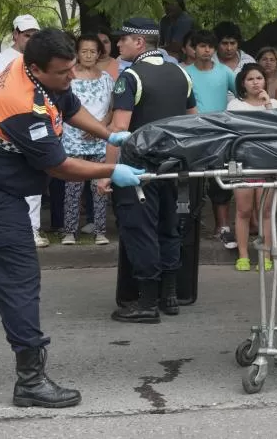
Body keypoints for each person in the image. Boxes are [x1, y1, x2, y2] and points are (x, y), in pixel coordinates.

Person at [0, 28, 143, 408]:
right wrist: (108, 171)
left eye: (72, 68)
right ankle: (30, 380)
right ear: (37, 67)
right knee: (19, 282)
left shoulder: (34, 67)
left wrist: (108, 134)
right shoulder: (20, 102)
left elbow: (67, 104)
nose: (70, 77)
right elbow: (59, 166)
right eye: (63, 71)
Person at [102, 18, 197, 324]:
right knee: (170, 227)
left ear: (139, 43)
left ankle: (145, 303)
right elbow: (193, 121)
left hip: (139, 167)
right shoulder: (182, 73)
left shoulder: (130, 77)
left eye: (123, 40)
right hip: (175, 166)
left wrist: (105, 171)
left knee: (140, 231)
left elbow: (119, 129)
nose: (119, 45)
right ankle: (169, 295)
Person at [0, 15, 49, 247]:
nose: (31, 38)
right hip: (10, 125)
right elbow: (4, 90)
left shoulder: (43, 58)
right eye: (27, 34)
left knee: (33, 178)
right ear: (15, 34)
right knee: (8, 179)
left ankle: (32, 229)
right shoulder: (1, 59)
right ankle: (10, 228)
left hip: (37, 121)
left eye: (35, 34)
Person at [185, 29, 237, 249]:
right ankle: (190, 226)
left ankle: (222, 226)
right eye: (202, 46)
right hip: (193, 133)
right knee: (193, 180)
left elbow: (242, 93)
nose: (206, 50)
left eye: (210, 47)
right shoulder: (184, 72)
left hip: (221, 134)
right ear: (193, 49)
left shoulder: (225, 72)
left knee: (221, 181)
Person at [226, 63, 277, 271]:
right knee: (243, 211)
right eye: (250, 79)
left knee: (266, 212)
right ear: (243, 83)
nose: (256, 82)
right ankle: (243, 256)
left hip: (268, 163)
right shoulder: (235, 106)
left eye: (259, 78)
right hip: (244, 163)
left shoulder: (274, 103)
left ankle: (265, 256)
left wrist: (267, 105)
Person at [60, 34, 113, 246]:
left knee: (99, 186)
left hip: (99, 140)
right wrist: (84, 125)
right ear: (77, 54)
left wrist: (98, 127)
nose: (89, 55)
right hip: (73, 139)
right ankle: (69, 232)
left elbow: (111, 109)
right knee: (73, 187)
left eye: (93, 51)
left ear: (99, 54)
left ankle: (100, 230)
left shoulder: (107, 78)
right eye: (84, 51)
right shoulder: (69, 77)